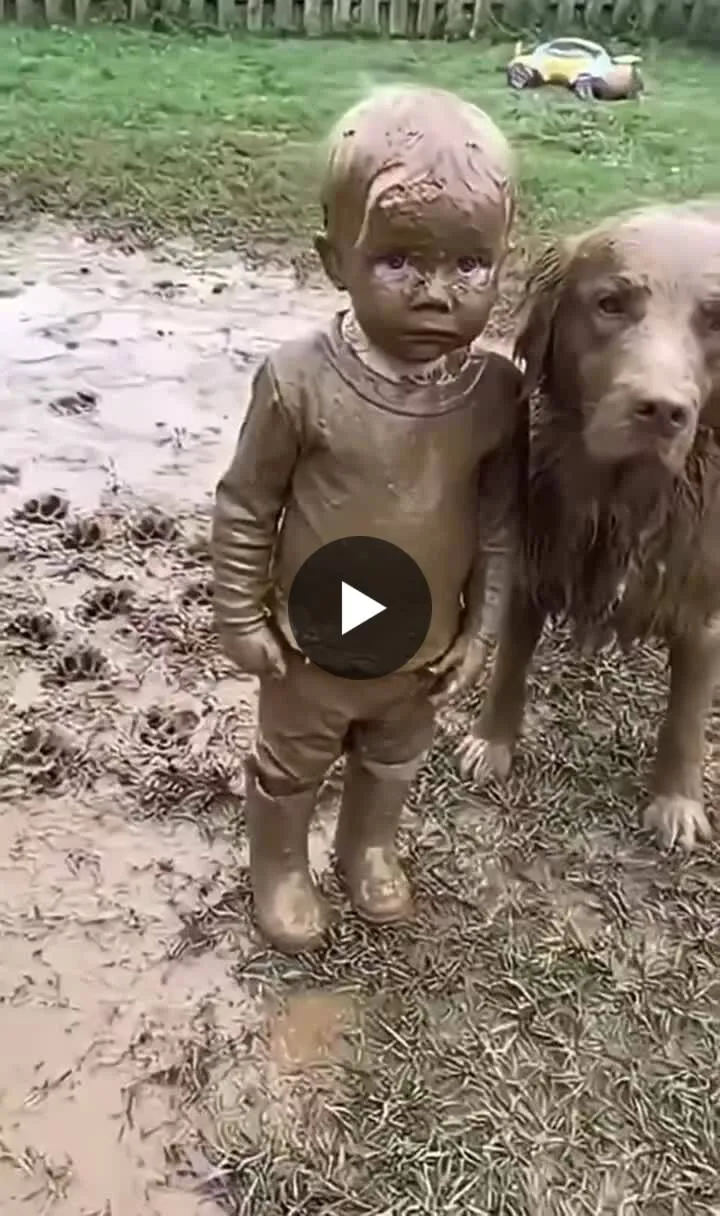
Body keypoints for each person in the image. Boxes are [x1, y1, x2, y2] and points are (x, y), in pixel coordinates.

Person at [211, 84, 523, 954]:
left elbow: (497, 521)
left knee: (393, 756)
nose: (437, 293)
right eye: (399, 261)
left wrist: (481, 630)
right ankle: (278, 866)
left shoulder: (496, 395)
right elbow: (247, 504)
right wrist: (239, 615)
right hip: (313, 647)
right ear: (332, 259)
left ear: (504, 258)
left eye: (471, 265)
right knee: (293, 761)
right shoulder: (298, 381)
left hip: (422, 653)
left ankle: (368, 845)